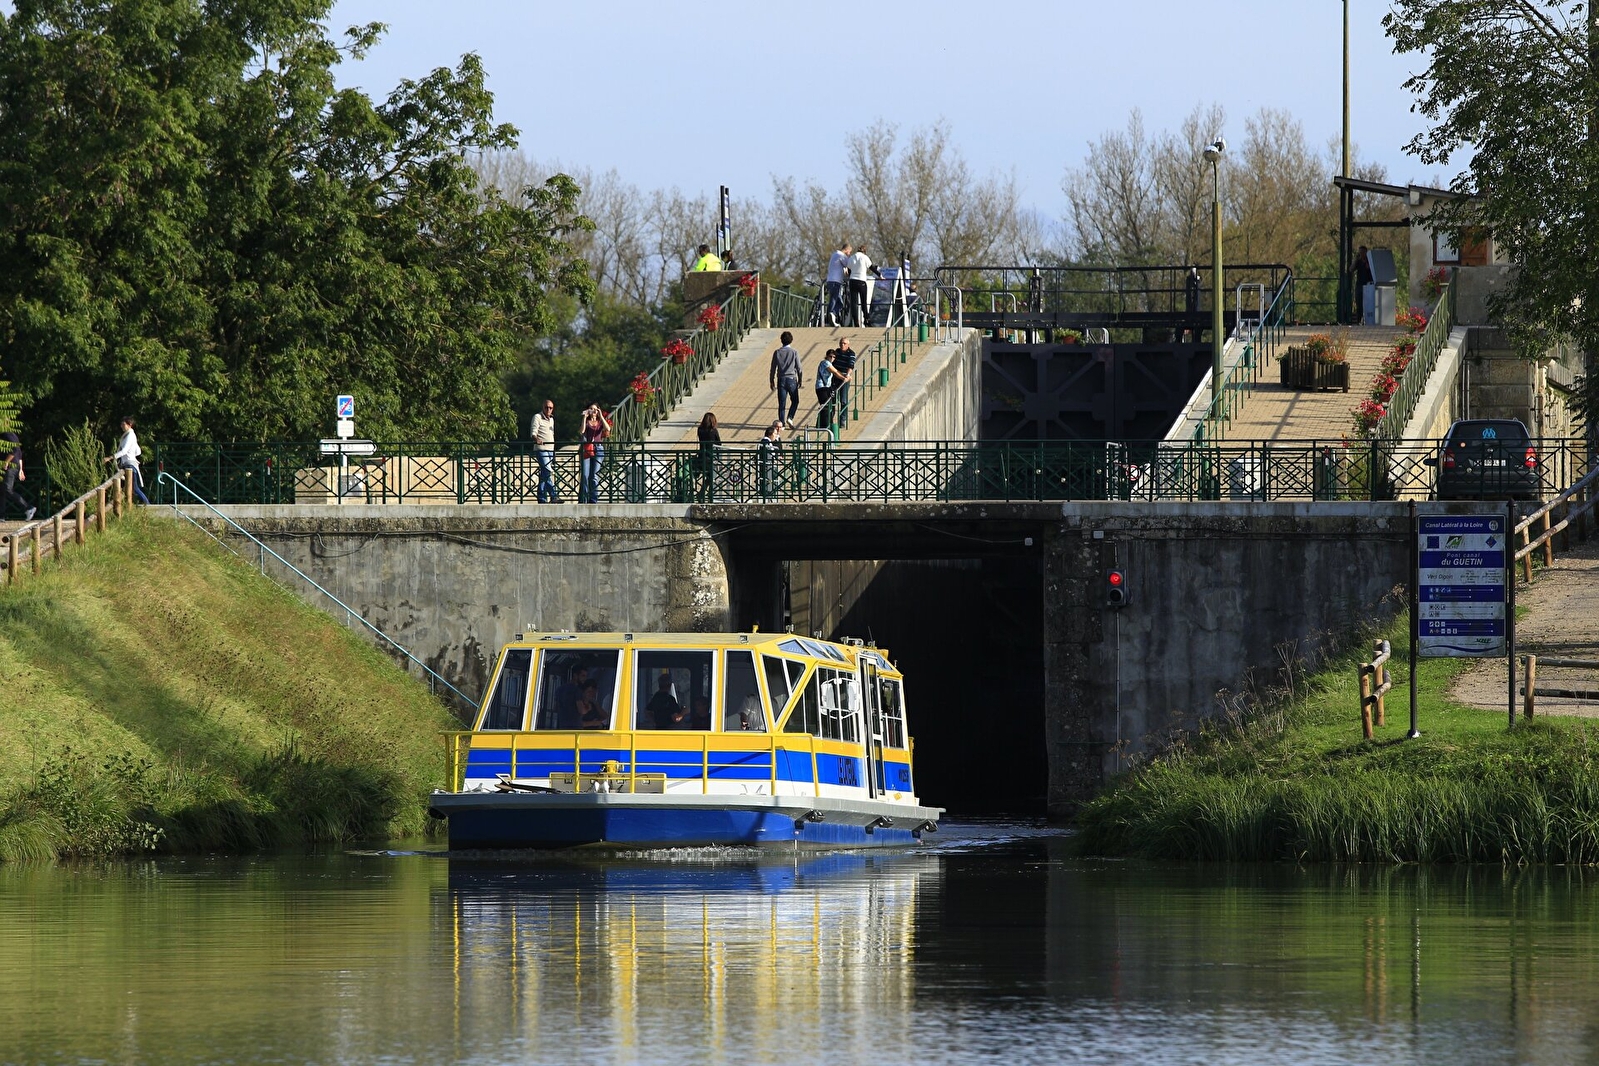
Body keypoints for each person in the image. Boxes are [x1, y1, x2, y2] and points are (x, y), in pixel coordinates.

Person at [102, 415, 149, 504]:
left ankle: (147, 504)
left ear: (129, 424)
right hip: (127, 464)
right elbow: (138, 451)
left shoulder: (130, 436)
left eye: (123, 424)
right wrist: (131, 454)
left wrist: (110, 458)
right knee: (129, 487)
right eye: (121, 424)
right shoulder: (127, 436)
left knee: (134, 488)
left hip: (129, 465)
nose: (122, 426)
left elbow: (124, 451)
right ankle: (132, 504)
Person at [577, 404, 611, 503]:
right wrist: (584, 417)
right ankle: (584, 498)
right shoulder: (586, 422)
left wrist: (601, 416)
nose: (593, 411)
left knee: (594, 475)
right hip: (587, 448)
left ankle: (593, 498)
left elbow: (608, 429)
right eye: (591, 409)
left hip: (598, 448)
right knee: (585, 475)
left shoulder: (600, 422)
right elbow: (582, 431)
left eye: (595, 409)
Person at [768, 330, 802, 429]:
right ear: (791, 340)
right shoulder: (794, 352)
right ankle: (790, 417)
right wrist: (800, 379)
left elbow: (773, 368)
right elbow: (799, 368)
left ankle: (781, 424)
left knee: (782, 403)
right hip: (791, 379)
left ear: (781, 340)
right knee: (795, 400)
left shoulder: (777, 352)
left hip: (781, 379)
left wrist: (771, 380)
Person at [530, 399, 559, 503]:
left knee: (544, 474)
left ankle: (541, 498)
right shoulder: (537, 417)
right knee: (547, 471)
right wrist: (536, 439)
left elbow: (552, 434)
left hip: (550, 449)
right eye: (546, 407)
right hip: (541, 449)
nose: (548, 409)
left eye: (550, 408)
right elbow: (533, 432)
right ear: (543, 407)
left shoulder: (551, 420)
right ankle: (553, 495)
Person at [1, 432, 35, 521]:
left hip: (10, 466)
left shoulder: (7, 434)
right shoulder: (12, 435)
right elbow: (19, 454)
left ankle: (28, 508)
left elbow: (15, 450)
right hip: (12, 466)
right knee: (2, 490)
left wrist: (6, 462)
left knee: (7, 489)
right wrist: (21, 469)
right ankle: (1, 515)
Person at [830, 338, 858, 429]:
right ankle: (830, 420)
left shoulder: (851, 354)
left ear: (848, 344)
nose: (842, 345)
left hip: (844, 378)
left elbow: (851, 366)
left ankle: (842, 420)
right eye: (841, 343)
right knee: (832, 399)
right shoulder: (837, 352)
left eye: (844, 343)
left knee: (843, 400)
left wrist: (848, 375)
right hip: (835, 377)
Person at [848, 245, 876, 327]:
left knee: (854, 303)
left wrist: (850, 275)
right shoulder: (865, 257)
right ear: (864, 251)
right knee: (864, 302)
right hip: (861, 281)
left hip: (853, 281)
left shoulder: (852, 257)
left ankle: (856, 321)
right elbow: (872, 268)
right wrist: (880, 275)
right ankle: (866, 319)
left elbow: (849, 270)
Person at [825, 242, 851, 326]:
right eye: (849, 252)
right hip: (835, 281)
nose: (849, 254)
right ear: (846, 250)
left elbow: (841, 266)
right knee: (834, 300)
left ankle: (830, 317)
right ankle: (831, 315)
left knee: (838, 301)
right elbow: (849, 265)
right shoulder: (841, 255)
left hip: (830, 280)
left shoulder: (834, 254)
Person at [696, 412, 720, 502]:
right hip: (710, 457)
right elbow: (719, 443)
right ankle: (708, 495)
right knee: (712, 476)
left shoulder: (700, 430)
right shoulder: (713, 431)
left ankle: (703, 494)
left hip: (701, 456)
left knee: (708, 476)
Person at [814, 348, 838, 430]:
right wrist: (844, 377)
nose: (832, 358)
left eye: (834, 357)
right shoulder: (825, 363)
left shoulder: (829, 364)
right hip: (821, 387)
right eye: (830, 356)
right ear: (827, 356)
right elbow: (835, 372)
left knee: (827, 406)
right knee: (826, 405)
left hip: (826, 388)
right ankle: (826, 424)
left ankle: (821, 424)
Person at [758, 421, 783, 497]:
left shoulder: (768, 441)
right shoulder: (765, 441)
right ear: (770, 434)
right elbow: (768, 452)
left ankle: (770, 494)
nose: (776, 435)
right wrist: (775, 458)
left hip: (769, 465)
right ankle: (767, 495)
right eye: (774, 434)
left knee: (770, 481)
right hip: (767, 465)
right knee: (767, 481)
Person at [1353, 245, 1373, 324]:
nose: (1361, 254)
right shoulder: (1358, 262)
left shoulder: (1369, 261)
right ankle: (1359, 321)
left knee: (1368, 303)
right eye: (1360, 253)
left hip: (1368, 285)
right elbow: (1351, 269)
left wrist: (1368, 265)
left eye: (1362, 252)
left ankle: (1368, 320)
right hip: (1359, 285)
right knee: (1359, 303)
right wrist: (1355, 260)